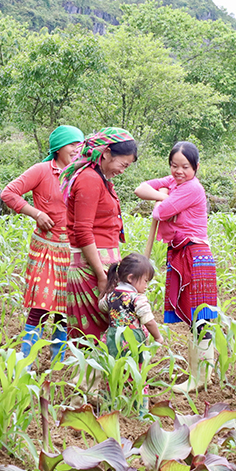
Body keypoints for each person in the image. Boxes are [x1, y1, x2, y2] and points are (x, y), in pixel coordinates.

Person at [134, 142, 217, 391]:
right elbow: (141, 188)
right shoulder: (173, 183)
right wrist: (164, 194)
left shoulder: (192, 188)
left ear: (196, 167)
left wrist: (162, 199)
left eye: (185, 167)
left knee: (200, 316)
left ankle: (200, 378)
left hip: (195, 254)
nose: (179, 171)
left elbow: (162, 212)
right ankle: (200, 375)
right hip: (182, 253)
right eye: (174, 165)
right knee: (193, 316)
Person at [1, 125, 85, 361]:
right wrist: (36, 213)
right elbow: (9, 194)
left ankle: (57, 363)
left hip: (71, 249)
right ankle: (26, 360)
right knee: (42, 304)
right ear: (58, 148)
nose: (77, 150)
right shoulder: (41, 170)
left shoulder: (80, 174)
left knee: (65, 310)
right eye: (72, 145)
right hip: (46, 247)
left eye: (80, 145)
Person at [60, 128, 138, 339]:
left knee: (116, 330)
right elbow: (83, 230)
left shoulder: (100, 179)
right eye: (123, 164)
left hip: (104, 266)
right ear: (106, 153)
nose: (123, 170)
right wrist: (101, 276)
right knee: (102, 334)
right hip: (92, 269)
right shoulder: (89, 180)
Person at [99, 253, 164, 358]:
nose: (146, 286)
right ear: (130, 278)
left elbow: (102, 306)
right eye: (145, 281)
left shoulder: (111, 294)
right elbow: (149, 321)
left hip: (112, 338)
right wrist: (158, 337)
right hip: (132, 340)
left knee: (114, 366)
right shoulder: (137, 299)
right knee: (132, 367)